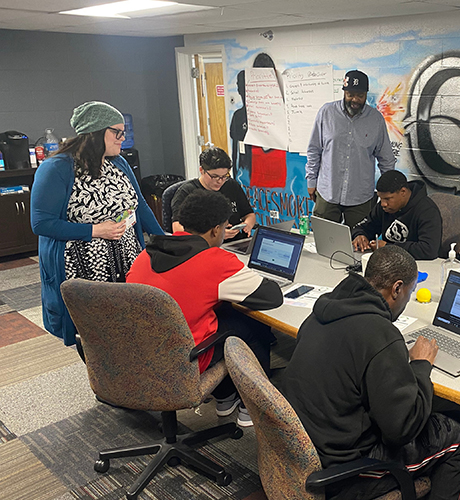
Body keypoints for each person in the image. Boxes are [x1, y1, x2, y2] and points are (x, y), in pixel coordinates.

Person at [283, 245, 460, 500]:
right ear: (397, 288)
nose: (407, 301)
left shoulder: (325, 309)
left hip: (303, 446)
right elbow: (402, 430)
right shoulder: (381, 335)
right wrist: (421, 365)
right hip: (346, 471)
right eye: (408, 293)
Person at [127, 190, 283, 427]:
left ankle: (224, 397)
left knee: (223, 315)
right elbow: (272, 296)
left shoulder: (146, 254)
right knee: (253, 325)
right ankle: (250, 406)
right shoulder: (215, 260)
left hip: (138, 355)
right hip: (183, 361)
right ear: (215, 230)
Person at [30, 101, 163, 346]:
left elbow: (139, 206)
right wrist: (94, 230)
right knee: (95, 336)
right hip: (82, 269)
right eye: (117, 132)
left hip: (126, 260)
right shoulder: (57, 168)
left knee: (129, 326)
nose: (123, 138)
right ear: (95, 132)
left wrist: (164, 241)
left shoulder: (118, 162)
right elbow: (41, 223)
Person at [305, 69, 396, 229]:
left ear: (366, 94)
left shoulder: (376, 119)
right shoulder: (326, 113)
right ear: (344, 92)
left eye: (360, 96)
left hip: (360, 197)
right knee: (323, 240)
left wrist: (387, 192)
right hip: (328, 193)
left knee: (359, 242)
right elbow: (314, 150)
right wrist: (311, 180)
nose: (355, 99)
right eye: (350, 95)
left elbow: (386, 159)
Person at [352, 170, 442, 260]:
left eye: (387, 198)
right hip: (388, 261)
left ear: (403, 192)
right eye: (380, 198)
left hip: (418, 265)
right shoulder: (384, 207)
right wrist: (360, 236)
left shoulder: (427, 210)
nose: (383, 204)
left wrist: (389, 248)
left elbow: (429, 250)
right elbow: (363, 227)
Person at [171, 146, 256, 241]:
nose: (220, 181)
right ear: (202, 170)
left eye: (224, 176)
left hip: (236, 242)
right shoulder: (186, 192)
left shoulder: (231, 185)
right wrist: (216, 235)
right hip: (205, 246)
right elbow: (177, 228)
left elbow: (249, 215)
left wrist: (247, 225)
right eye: (214, 176)